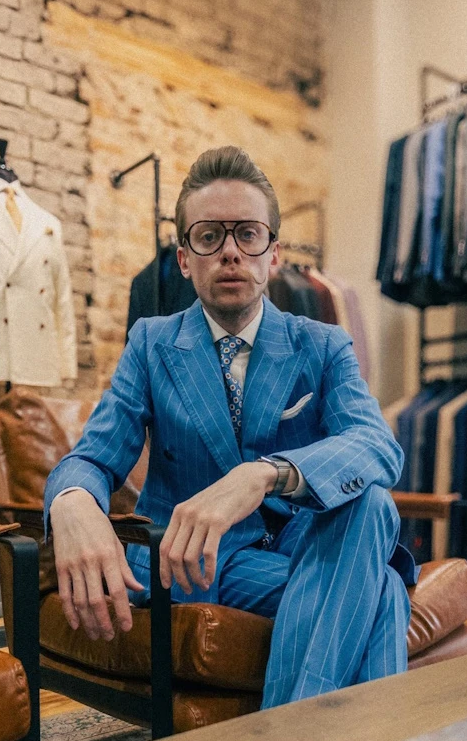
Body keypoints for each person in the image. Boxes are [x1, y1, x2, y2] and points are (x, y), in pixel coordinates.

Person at [46, 146, 417, 709]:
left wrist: (264, 475)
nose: (230, 253)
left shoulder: (321, 344)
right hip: (189, 558)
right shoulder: (151, 343)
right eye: (209, 235)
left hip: (301, 549)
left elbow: (376, 446)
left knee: (371, 504)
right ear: (184, 258)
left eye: (247, 234)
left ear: (273, 254)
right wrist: (72, 501)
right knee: (383, 587)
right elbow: (94, 457)